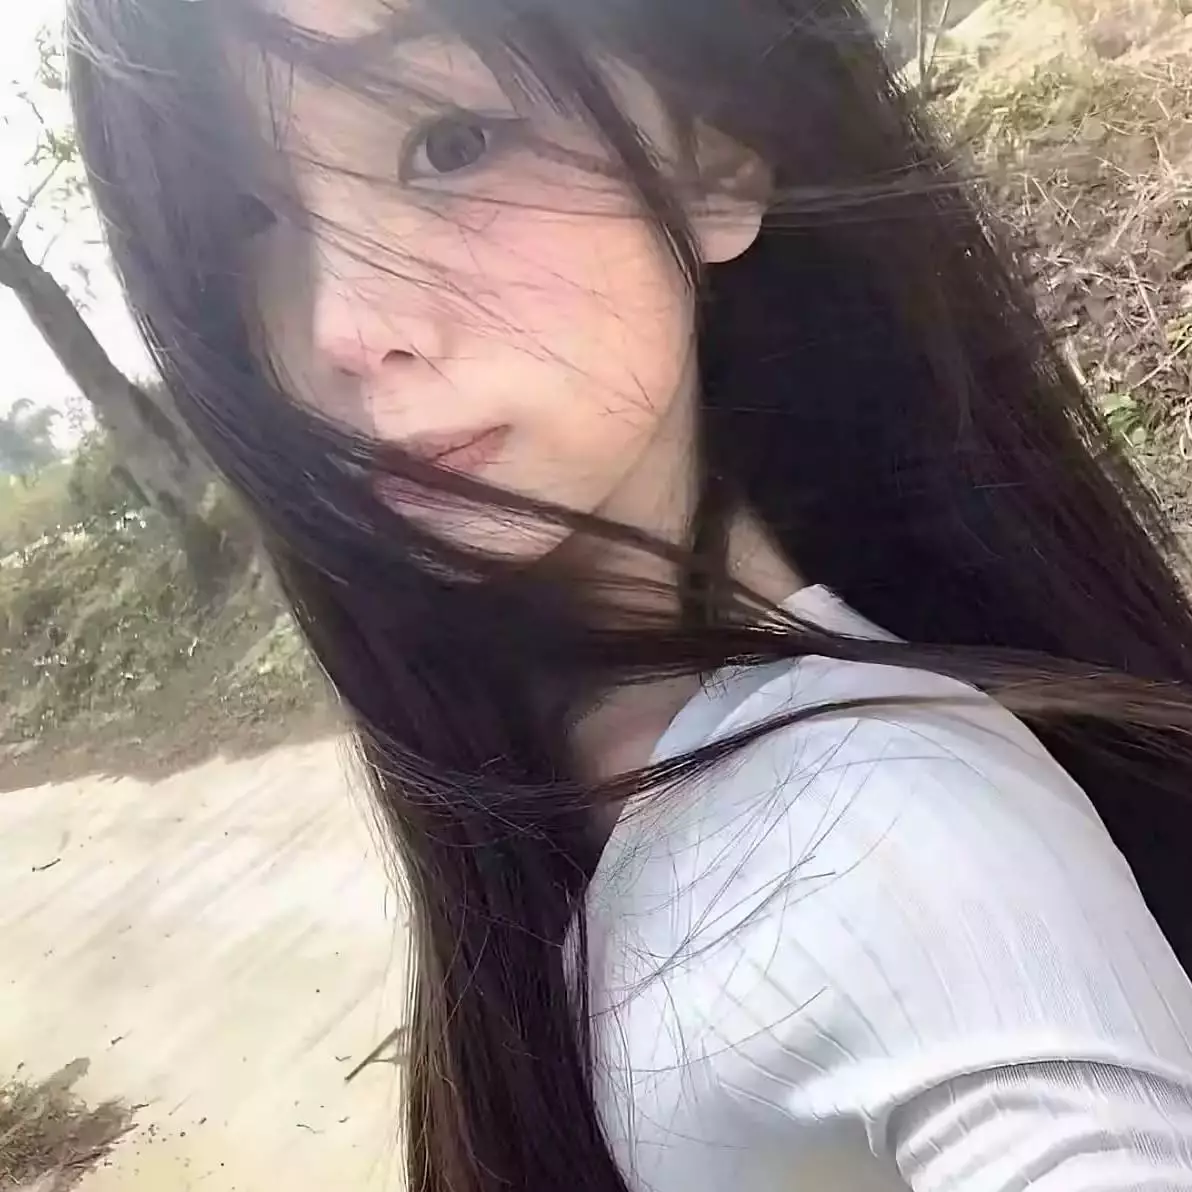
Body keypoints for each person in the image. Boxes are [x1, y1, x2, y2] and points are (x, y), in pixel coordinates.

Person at [64, 0, 1192, 1188]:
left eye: (451, 143)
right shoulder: (556, 771)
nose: (345, 326)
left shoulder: (896, 835)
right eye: (247, 217)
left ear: (711, 157)